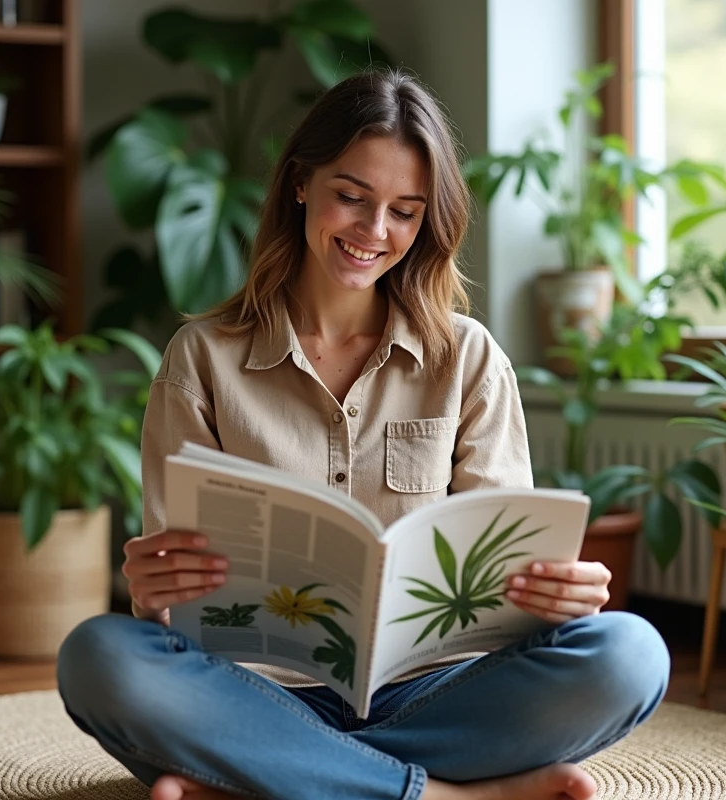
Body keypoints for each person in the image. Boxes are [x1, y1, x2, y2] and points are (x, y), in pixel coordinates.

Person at [56, 67, 669, 800]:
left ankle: (267, 777)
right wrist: (153, 590)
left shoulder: (468, 358)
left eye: (405, 212)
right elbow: (174, 607)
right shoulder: (204, 358)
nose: (374, 233)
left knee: (630, 653)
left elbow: (504, 580)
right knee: (98, 657)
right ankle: (445, 793)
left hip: (436, 693)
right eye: (352, 197)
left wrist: (557, 591)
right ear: (300, 184)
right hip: (255, 690)